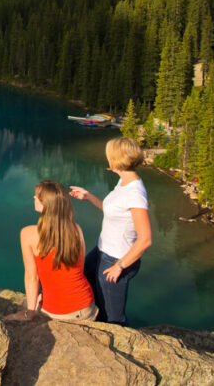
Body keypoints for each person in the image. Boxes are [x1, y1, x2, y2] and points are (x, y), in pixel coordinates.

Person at [69, 137, 152, 326]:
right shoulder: (124, 183)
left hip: (116, 259)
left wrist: (120, 266)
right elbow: (115, 211)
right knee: (87, 289)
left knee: (113, 315)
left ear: (115, 160)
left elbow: (145, 239)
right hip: (101, 251)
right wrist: (88, 197)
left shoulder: (135, 194)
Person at [5, 180, 97, 322]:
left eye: (37, 197)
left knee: (26, 304)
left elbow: (32, 278)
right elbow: (80, 269)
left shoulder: (28, 234)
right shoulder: (76, 229)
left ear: (45, 204)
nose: (34, 198)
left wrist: (29, 312)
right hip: (87, 307)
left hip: (59, 312)